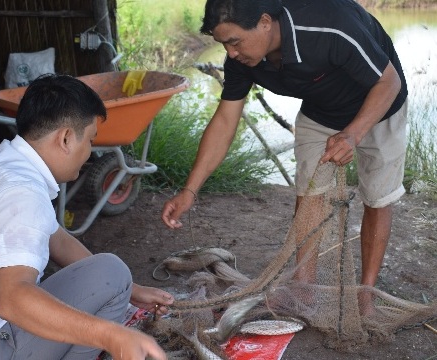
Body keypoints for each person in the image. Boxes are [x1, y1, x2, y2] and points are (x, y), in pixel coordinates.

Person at [162, 0, 407, 291]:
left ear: (265, 22)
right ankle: (304, 290)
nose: (230, 53)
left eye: (235, 41)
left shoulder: (330, 25)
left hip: (379, 103)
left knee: (378, 197)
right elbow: (225, 121)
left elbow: (388, 83)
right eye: (223, 44)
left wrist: (353, 133)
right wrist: (190, 190)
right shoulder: (241, 61)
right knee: (310, 195)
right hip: (322, 110)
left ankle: (367, 292)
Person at [0, 74, 173, 360]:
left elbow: (54, 236)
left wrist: (131, 290)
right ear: (65, 138)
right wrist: (110, 334)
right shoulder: (22, 193)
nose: (89, 154)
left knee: (112, 275)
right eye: (90, 140)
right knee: (112, 272)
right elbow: (13, 300)